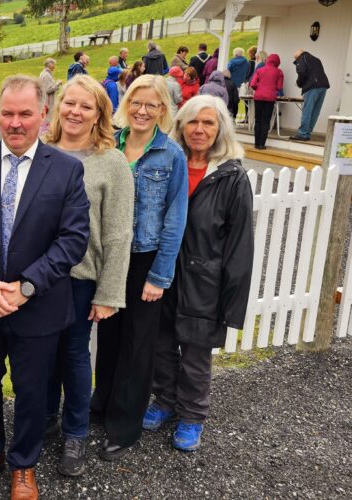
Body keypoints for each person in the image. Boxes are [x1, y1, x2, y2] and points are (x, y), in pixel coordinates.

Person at [0, 75, 90, 499]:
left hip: (38, 306)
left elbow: (73, 240)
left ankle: (24, 465)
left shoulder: (66, 170)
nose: (15, 122)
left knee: (31, 391)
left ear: (43, 115)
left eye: (25, 113)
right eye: (7, 113)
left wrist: (26, 287)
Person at [144, 94, 253, 452]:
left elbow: (240, 243)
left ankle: (192, 415)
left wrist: (231, 300)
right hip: (162, 272)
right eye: (192, 121)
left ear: (220, 128)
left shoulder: (231, 177)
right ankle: (165, 400)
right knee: (160, 343)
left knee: (194, 353)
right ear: (180, 126)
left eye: (208, 122)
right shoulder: (168, 163)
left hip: (204, 280)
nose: (199, 129)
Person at [91, 74, 188, 461]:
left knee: (138, 344)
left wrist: (160, 276)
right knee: (109, 337)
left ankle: (125, 425)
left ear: (163, 110)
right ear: (125, 104)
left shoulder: (170, 155)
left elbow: (174, 218)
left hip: (146, 259)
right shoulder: (109, 144)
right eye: (136, 102)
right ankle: (102, 403)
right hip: (111, 257)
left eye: (152, 105)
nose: (142, 110)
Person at [43, 75, 134, 476]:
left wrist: (108, 293)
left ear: (99, 114)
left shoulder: (110, 162)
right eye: (70, 103)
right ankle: (43, 417)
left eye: (86, 106)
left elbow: (117, 233)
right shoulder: (40, 150)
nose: (76, 112)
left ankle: (75, 432)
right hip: (35, 277)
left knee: (74, 356)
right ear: (58, 106)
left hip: (80, 279)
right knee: (38, 355)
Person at [291, 49, 330, 141]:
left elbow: (302, 72)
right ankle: (307, 133)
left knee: (307, 110)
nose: (296, 61)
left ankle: (303, 134)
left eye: (296, 59)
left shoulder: (302, 58)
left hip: (312, 87)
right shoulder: (316, 59)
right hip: (323, 86)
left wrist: (298, 83)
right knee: (315, 111)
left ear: (298, 56)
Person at [250, 53, 284, 150]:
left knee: (258, 120)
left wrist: (259, 88)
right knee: (265, 121)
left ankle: (256, 143)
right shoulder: (279, 72)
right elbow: (279, 87)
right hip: (270, 98)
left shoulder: (260, 70)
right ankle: (261, 144)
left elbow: (252, 84)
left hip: (258, 97)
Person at [39, 57, 63, 123]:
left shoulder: (44, 73)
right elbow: (48, 89)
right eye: (54, 64)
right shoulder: (46, 75)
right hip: (48, 102)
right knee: (48, 120)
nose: (54, 66)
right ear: (50, 65)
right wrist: (58, 83)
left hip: (46, 101)